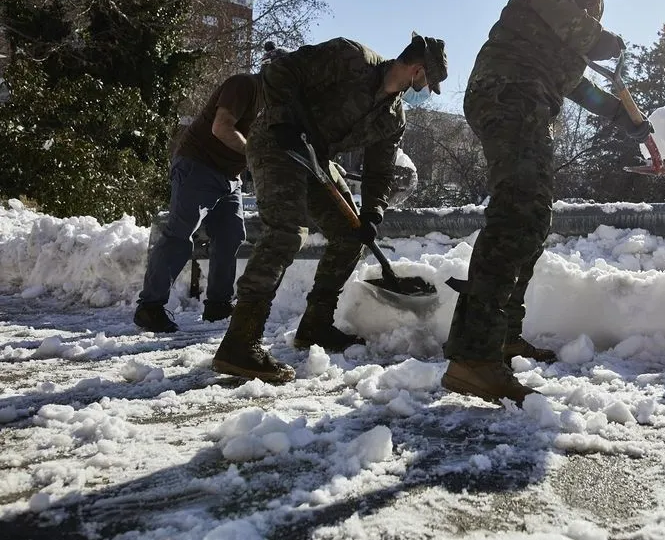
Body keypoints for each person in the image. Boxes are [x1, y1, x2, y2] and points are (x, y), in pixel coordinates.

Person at [441, 0, 654, 405]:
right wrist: (589, 34)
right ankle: (473, 357)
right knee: (517, 212)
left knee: (532, 216)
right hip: (510, 86)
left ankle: (499, 335)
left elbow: (570, 78)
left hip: (527, 90)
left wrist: (619, 115)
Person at [211, 33, 448, 383]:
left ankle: (315, 326)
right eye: (427, 82)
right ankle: (240, 342)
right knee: (286, 234)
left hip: (316, 160)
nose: (424, 91)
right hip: (278, 142)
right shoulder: (350, 57)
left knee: (351, 236)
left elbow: (379, 171)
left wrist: (372, 213)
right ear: (416, 69)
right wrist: (285, 120)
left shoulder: (393, 117)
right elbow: (280, 72)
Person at [133, 58, 275, 332]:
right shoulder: (244, 85)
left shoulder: (274, 105)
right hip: (198, 166)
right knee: (179, 234)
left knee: (231, 235)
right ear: (271, 72)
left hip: (229, 178)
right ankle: (149, 307)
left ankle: (218, 305)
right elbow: (221, 127)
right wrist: (255, 154)